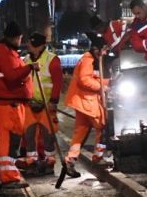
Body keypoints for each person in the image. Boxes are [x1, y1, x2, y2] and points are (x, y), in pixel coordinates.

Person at [0, 21, 35, 187]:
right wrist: (29, 68)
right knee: (10, 140)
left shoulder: (5, 51)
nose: (20, 41)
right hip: (9, 103)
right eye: (20, 38)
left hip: (11, 102)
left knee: (10, 139)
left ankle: (9, 172)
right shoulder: (4, 53)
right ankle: (8, 176)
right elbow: (12, 76)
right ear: (15, 37)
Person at [64, 34, 110, 176]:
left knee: (80, 132)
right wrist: (102, 87)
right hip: (87, 102)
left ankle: (70, 160)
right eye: (104, 50)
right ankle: (98, 156)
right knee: (102, 127)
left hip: (83, 101)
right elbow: (84, 80)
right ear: (97, 50)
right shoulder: (88, 60)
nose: (106, 53)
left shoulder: (91, 60)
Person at [20, 32, 62, 173]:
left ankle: (49, 162)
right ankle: (32, 162)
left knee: (48, 134)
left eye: (31, 44)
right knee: (29, 134)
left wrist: (54, 101)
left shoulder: (52, 60)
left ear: (38, 46)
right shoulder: (26, 60)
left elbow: (57, 83)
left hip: (46, 104)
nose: (28, 46)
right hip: (29, 103)